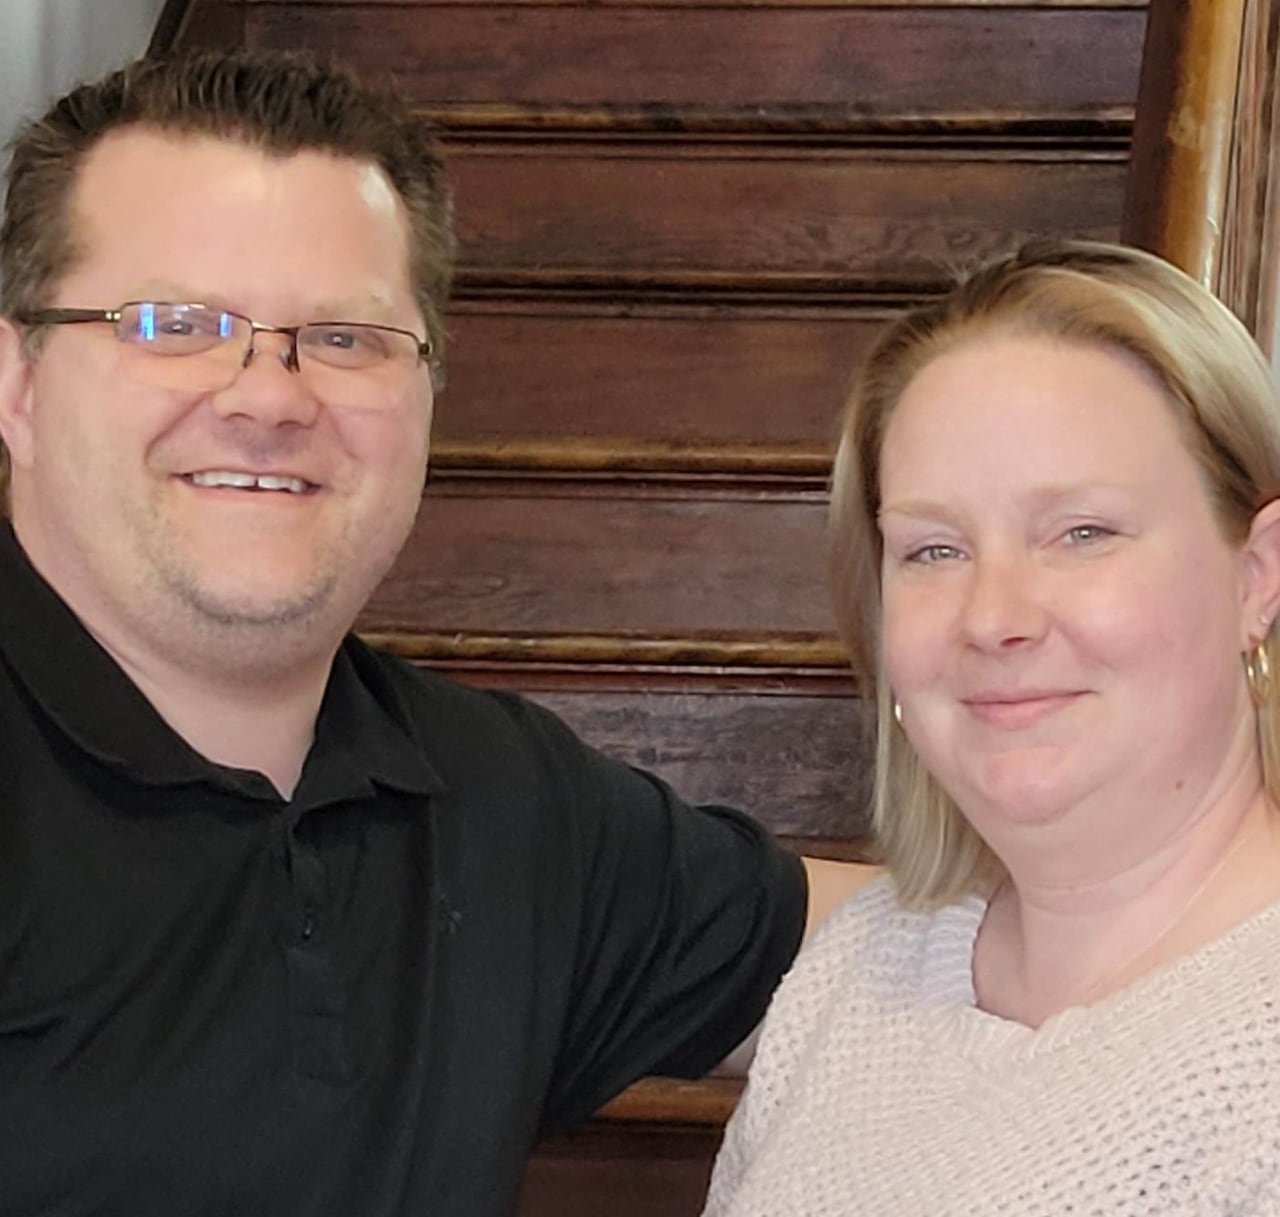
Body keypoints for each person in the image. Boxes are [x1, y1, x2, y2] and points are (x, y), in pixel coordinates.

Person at [0, 49, 861, 1216]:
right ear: (17, 381)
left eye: (346, 338)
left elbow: (941, 952)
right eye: (173, 322)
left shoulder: (500, 800)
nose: (267, 395)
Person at [703, 239, 1280, 1216]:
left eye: (1079, 532)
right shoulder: (855, 973)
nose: (991, 614)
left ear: (1253, 579)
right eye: (933, 548)